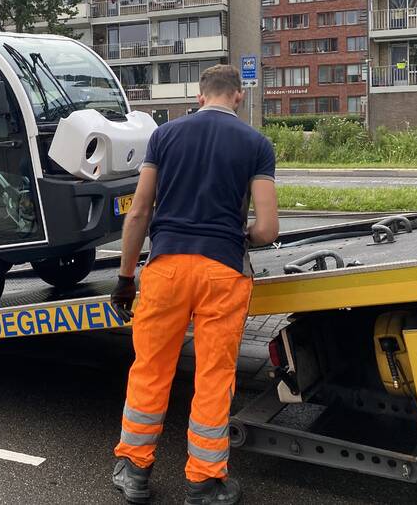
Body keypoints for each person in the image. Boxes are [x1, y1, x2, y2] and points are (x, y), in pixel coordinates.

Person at [110, 64, 279, 505]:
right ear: (238, 97)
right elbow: (268, 229)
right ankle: (203, 481)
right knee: (213, 374)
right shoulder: (256, 144)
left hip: (165, 268)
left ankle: (134, 471)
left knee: (150, 368)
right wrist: (237, 236)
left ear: (201, 96)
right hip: (222, 272)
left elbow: (139, 212)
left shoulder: (164, 137)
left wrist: (126, 278)